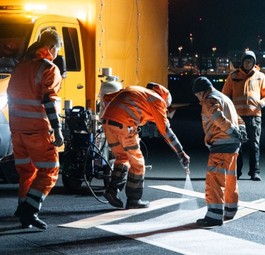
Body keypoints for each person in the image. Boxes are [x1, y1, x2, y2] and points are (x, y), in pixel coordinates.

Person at [7, 29, 64, 230]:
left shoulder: (20, 67)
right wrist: (57, 129)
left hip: (17, 129)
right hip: (38, 129)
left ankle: (23, 210)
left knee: (27, 172)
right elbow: (48, 101)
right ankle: (29, 211)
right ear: (50, 48)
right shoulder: (48, 68)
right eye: (57, 49)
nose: (57, 54)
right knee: (50, 169)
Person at [101, 83, 190, 209]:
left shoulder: (136, 90)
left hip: (107, 123)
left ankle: (112, 190)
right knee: (138, 163)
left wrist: (114, 115)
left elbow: (106, 97)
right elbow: (165, 130)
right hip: (125, 125)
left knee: (122, 157)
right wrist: (180, 152)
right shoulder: (158, 101)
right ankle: (134, 200)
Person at [192, 77, 247, 227]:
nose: (198, 99)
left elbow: (217, 117)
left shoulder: (209, 99)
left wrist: (231, 131)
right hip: (233, 145)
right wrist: (240, 131)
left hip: (221, 144)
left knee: (215, 180)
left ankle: (214, 216)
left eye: (197, 95)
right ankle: (230, 210)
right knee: (230, 178)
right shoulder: (224, 98)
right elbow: (238, 119)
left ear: (202, 91)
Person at [222, 50, 265, 181]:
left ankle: (254, 172)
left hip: (254, 115)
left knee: (254, 145)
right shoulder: (233, 76)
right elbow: (225, 96)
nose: (248, 63)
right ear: (242, 62)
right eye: (246, 61)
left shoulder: (260, 76)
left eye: (251, 61)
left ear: (254, 62)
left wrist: (261, 103)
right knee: (237, 145)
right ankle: (237, 172)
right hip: (237, 117)